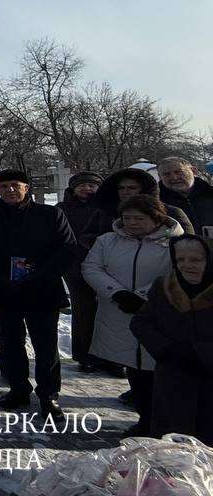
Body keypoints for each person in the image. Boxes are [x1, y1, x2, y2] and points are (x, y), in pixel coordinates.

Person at [0, 169, 77, 421]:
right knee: (10, 343)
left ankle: (49, 395)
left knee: (46, 345)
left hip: (43, 290)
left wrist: (40, 275)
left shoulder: (50, 214)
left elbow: (67, 248)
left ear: (26, 188)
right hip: (4, 290)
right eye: (4, 186)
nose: (10, 190)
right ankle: (18, 388)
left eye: (15, 185)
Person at [81, 195, 182, 436]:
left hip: (158, 312)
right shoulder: (107, 240)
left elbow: (178, 271)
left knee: (160, 371)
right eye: (127, 218)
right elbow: (91, 267)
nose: (133, 223)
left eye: (139, 218)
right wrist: (117, 293)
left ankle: (166, 423)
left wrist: (144, 296)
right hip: (118, 311)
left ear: (156, 219)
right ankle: (145, 419)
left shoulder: (174, 242)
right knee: (135, 370)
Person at [131, 235, 213, 443]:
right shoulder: (164, 287)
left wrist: (200, 352)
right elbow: (141, 322)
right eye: (180, 259)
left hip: (209, 378)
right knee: (171, 444)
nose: (187, 265)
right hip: (172, 378)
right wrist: (165, 348)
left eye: (196, 260)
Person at [57, 171, 105, 372]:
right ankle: (85, 355)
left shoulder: (106, 206)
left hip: (107, 264)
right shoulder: (63, 208)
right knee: (84, 310)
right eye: (82, 185)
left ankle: (112, 358)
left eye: (92, 185)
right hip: (76, 264)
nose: (87, 189)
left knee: (109, 312)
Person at [93, 168, 193, 238]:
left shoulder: (171, 212)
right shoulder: (104, 212)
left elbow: (188, 242)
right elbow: (88, 235)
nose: (125, 191)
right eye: (121, 188)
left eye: (132, 188)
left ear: (144, 189)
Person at [157, 157, 213, 235]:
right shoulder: (156, 203)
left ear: (194, 171)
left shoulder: (210, 195)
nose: (174, 178)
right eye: (166, 174)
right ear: (160, 177)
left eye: (179, 172)